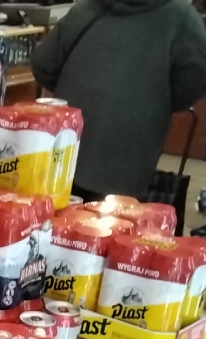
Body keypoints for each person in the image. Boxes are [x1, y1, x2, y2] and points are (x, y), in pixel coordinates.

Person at [31, 0, 206, 201]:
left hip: (65, 145)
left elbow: (44, 64)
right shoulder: (182, 18)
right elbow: (195, 81)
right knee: (119, 216)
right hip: (132, 152)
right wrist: (156, 99)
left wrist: (74, 86)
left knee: (55, 211)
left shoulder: (85, 10)